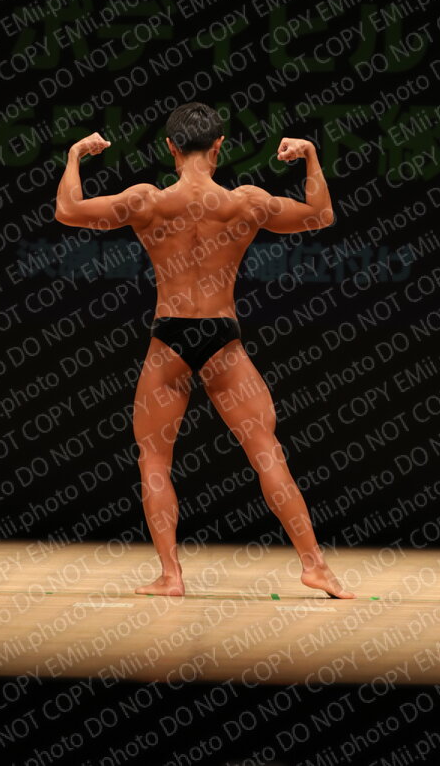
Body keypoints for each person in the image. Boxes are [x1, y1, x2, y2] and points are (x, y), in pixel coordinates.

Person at [55, 102, 355, 599]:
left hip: (169, 335)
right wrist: (311, 158)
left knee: (154, 459)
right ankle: (315, 566)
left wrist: (73, 156)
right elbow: (319, 214)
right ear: (219, 146)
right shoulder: (245, 203)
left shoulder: (147, 201)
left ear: (170, 147)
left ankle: (171, 576)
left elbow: (68, 209)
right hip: (221, 336)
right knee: (266, 451)